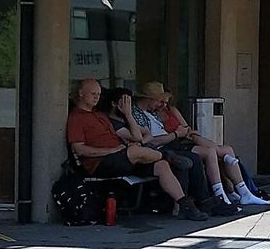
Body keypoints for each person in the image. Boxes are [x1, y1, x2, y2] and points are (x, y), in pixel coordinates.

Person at [65, 77, 204, 221]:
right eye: (93, 93)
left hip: (121, 157)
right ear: (81, 93)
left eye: (98, 94)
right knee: (137, 152)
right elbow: (79, 149)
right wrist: (111, 151)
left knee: (160, 165)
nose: (96, 97)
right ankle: (166, 155)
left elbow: (136, 137)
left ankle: (185, 206)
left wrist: (128, 117)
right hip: (100, 162)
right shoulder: (76, 118)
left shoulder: (100, 115)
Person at [136, 81, 270, 209]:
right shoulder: (148, 114)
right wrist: (178, 134)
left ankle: (242, 191)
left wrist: (185, 132)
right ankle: (223, 193)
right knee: (211, 153)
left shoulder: (160, 112)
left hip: (182, 138)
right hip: (172, 143)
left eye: (165, 101)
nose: (163, 105)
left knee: (225, 149)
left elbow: (184, 127)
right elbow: (153, 139)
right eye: (161, 101)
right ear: (151, 99)